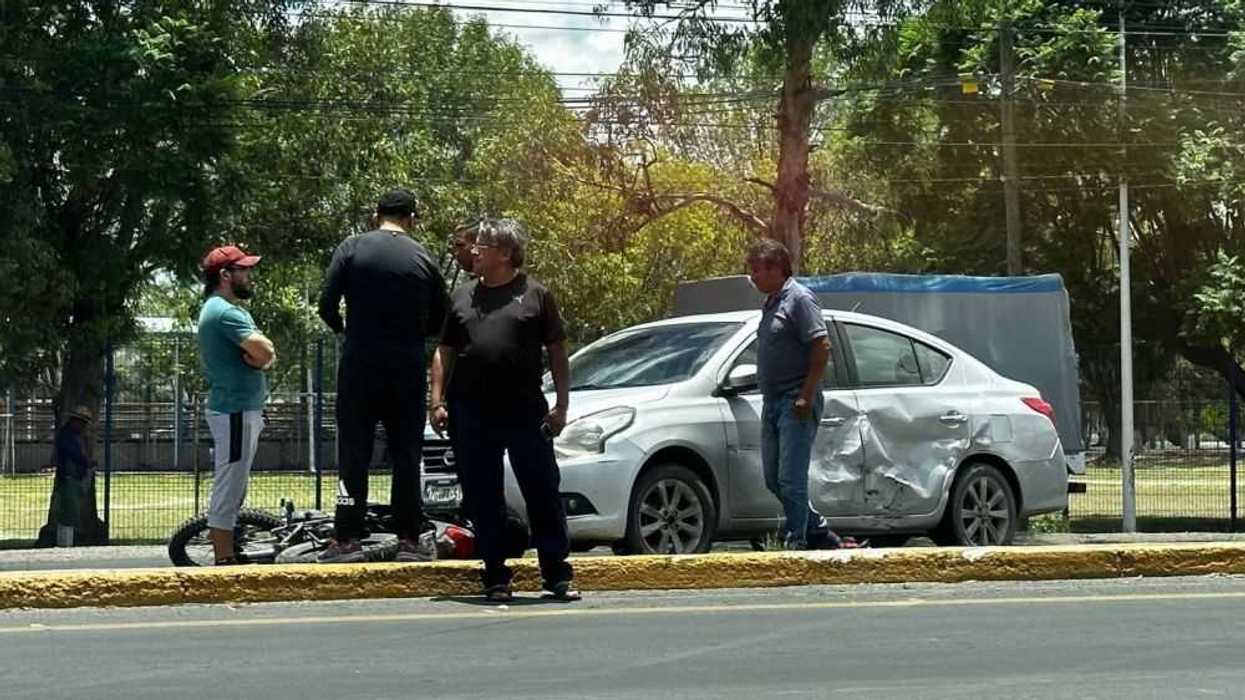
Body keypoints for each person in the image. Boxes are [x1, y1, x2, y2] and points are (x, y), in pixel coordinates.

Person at [430, 218, 577, 602]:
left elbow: (558, 352)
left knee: (542, 489)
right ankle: (496, 575)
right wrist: (437, 400)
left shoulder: (536, 295)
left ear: (507, 253)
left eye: (482, 245)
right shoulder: (462, 297)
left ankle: (557, 574)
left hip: (525, 411)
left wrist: (561, 406)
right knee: (483, 496)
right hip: (472, 413)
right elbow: (444, 351)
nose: (473, 251)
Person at [317, 188, 448, 563]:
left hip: (360, 361)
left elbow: (326, 303)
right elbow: (441, 316)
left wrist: (344, 330)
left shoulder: (352, 247)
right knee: (407, 451)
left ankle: (346, 537)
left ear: (376, 215)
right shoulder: (424, 256)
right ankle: (408, 537)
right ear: (412, 218)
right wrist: (413, 338)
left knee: (353, 451)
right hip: (405, 364)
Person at [745, 238, 853, 550]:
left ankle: (798, 541)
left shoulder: (800, 299)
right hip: (772, 402)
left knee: (791, 479)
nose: (753, 277)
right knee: (773, 479)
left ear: (777, 268)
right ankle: (818, 530)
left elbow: (822, 347)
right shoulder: (772, 302)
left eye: (757, 270)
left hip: (796, 400)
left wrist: (806, 394)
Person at [198, 244, 275, 565]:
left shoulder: (223, 309)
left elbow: (261, 353)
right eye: (244, 270)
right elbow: (266, 351)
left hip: (240, 409)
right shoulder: (224, 312)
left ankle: (229, 551)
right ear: (226, 275)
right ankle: (224, 558)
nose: (249, 275)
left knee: (235, 483)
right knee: (230, 484)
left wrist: (260, 359)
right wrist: (263, 360)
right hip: (234, 410)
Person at [52, 406, 93, 547]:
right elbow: (73, 455)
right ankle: (65, 542)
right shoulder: (66, 436)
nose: (84, 426)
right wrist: (86, 461)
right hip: (69, 476)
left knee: (72, 510)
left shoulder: (77, 437)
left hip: (75, 476)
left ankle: (68, 540)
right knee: (69, 512)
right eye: (82, 422)